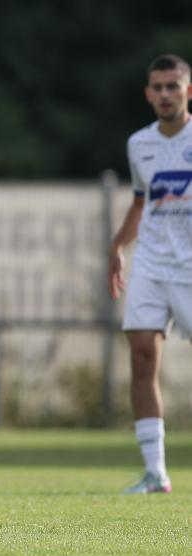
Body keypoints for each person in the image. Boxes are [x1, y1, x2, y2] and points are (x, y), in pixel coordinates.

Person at [109, 54, 192, 494]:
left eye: (172, 86)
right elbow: (141, 203)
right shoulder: (139, 143)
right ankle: (156, 472)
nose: (165, 94)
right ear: (148, 93)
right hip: (153, 264)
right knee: (141, 355)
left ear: (188, 91)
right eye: (157, 87)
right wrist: (118, 245)